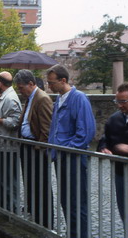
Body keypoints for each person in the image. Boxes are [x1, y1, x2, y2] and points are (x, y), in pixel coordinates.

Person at [47, 64, 95, 238]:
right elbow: (55, 129)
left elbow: (86, 133)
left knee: (77, 202)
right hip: (60, 157)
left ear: (63, 80)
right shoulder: (59, 99)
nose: (49, 87)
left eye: (51, 83)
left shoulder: (79, 98)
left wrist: (65, 149)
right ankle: (72, 233)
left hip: (73, 158)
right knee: (66, 200)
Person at [98, 82, 128, 238]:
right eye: (117, 101)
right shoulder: (114, 119)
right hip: (121, 174)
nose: (119, 105)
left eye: (123, 101)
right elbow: (106, 138)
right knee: (126, 218)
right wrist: (104, 147)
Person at [14, 69, 53, 228]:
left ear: (31, 84)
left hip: (35, 148)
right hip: (27, 145)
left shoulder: (42, 98)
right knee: (31, 183)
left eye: (21, 88)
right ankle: (36, 216)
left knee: (41, 185)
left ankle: (45, 221)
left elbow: (47, 128)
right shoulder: (30, 97)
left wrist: (39, 147)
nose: (20, 91)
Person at [0, 71, 22, 211]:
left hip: (7, 145)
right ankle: (5, 207)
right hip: (2, 144)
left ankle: (10, 209)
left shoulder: (10, 98)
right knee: (2, 179)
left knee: (8, 180)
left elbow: (15, 122)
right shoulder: (5, 97)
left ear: (0, 83)